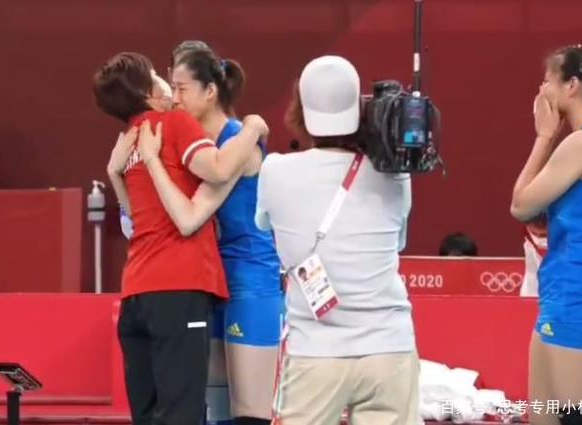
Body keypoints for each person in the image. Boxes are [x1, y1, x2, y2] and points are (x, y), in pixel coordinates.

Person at [94, 51, 266, 425]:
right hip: (178, 288)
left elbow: (136, 221)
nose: (169, 86)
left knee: (148, 415)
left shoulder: (129, 140)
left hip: (136, 295)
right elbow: (218, 169)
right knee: (182, 414)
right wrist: (254, 127)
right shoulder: (172, 123)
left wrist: (113, 173)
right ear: (149, 91)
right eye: (160, 76)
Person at [256, 55, 421, 425]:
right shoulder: (395, 175)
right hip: (389, 347)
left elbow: (264, 223)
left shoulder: (276, 170)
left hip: (315, 353)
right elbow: (398, 242)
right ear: (360, 107)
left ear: (300, 109)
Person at [510, 44, 582, 425]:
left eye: (547, 82)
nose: (541, 91)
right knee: (542, 416)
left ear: (571, 86)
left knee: (580, 419)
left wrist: (544, 136)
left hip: (578, 297)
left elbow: (520, 204)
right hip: (565, 295)